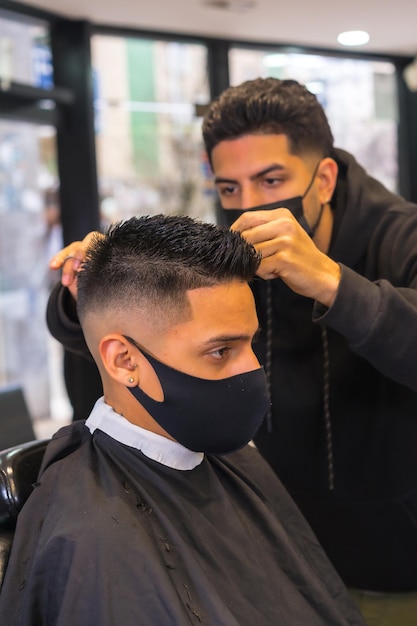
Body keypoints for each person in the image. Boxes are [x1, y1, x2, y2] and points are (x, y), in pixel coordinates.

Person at [46, 78, 417, 625]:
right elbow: (152, 349)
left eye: (270, 180)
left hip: (390, 557)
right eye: (228, 189)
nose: (249, 207)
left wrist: (333, 282)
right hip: (268, 538)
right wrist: (93, 297)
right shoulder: (237, 251)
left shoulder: (399, 238)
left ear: (325, 178)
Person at [0, 215, 364, 625]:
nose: (252, 370)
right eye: (221, 351)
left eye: (251, 343)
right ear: (124, 360)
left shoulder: (232, 462)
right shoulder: (95, 539)